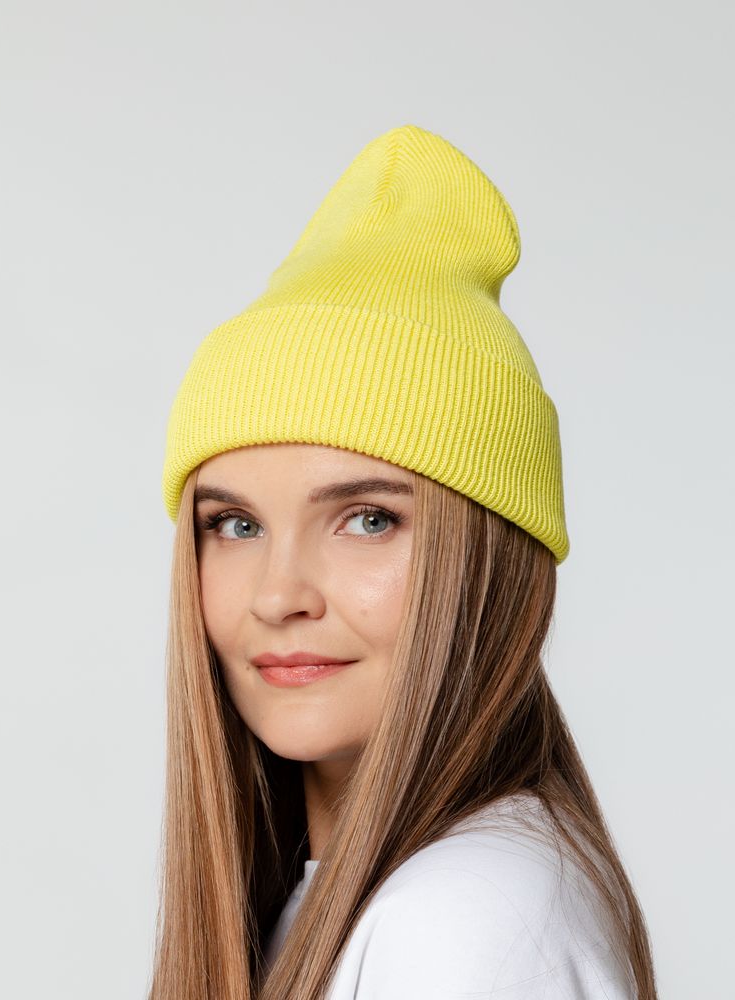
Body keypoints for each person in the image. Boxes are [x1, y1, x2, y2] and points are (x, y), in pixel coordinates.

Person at [150, 123, 658, 999]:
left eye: (368, 518)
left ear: (490, 565)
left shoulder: (462, 921)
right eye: (234, 525)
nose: (278, 594)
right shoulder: (361, 904)